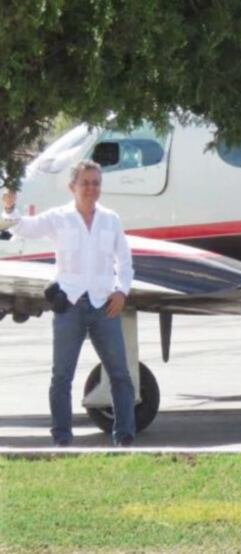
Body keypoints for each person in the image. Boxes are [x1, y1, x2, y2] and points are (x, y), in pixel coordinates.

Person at [1, 160, 136, 446]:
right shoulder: (59, 217)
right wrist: (10, 209)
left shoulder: (110, 219)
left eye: (96, 183)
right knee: (61, 376)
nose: (91, 189)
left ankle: (124, 437)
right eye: (85, 183)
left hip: (104, 306)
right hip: (70, 306)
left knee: (120, 374)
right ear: (72, 186)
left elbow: (124, 261)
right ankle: (62, 438)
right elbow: (24, 227)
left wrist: (121, 291)